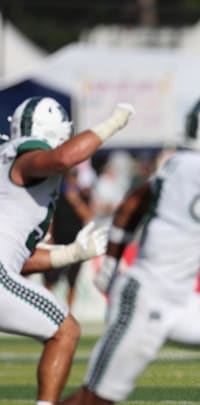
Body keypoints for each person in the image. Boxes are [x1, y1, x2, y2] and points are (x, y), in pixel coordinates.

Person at [60, 91, 200, 405]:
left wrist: (113, 263)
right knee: (94, 400)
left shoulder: (178, 163)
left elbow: (131, 204)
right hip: (146, 297)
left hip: (179, 299)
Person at [0, 96, 133, 405]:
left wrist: (70, 254)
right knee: (65, 330)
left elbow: (16, 258)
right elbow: (63, 159)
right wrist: (112, 123)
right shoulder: (28, 155)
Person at [43, 168, 95, 308]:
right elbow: (51, 217)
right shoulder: (57, 194)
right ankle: (47, 308)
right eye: (69, 176)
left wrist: (75, 200)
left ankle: (69, 312)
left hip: (76, 243)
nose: (72, 179)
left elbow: (88, 215)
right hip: (58, 242)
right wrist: (49, 236)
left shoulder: (83, 194)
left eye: (74, 176)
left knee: (72, 281)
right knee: (50, 278)